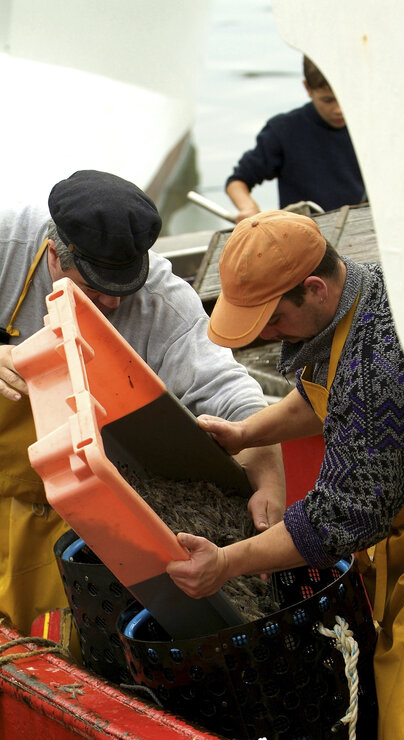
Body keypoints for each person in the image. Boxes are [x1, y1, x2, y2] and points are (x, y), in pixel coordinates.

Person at [167, 211, 404, 740]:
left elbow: (339, 519)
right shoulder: (363, 291)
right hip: (401, 534)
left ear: (315, 288)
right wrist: (244, 433)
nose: (271, 336)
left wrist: (227, 563)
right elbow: (319, 396)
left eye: (275, 319)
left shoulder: (380, 360)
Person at [0, 169, 285, 637]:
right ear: (54, 254)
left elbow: (229, 390)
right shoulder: (7, 246)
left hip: (73, 496)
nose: (111, 302)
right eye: (95, 288)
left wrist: (269, 476)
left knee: (62, 629)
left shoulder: (162, 301)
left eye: (123, 287)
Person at [225, 56, 367, 223]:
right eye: (328, 100)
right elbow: (237, 182)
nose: (338, 109)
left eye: (344, 97)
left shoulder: (371, 126)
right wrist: (249, 208)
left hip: (362, 226)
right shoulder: (283, 130)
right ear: (308, 88)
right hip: (301, 233)